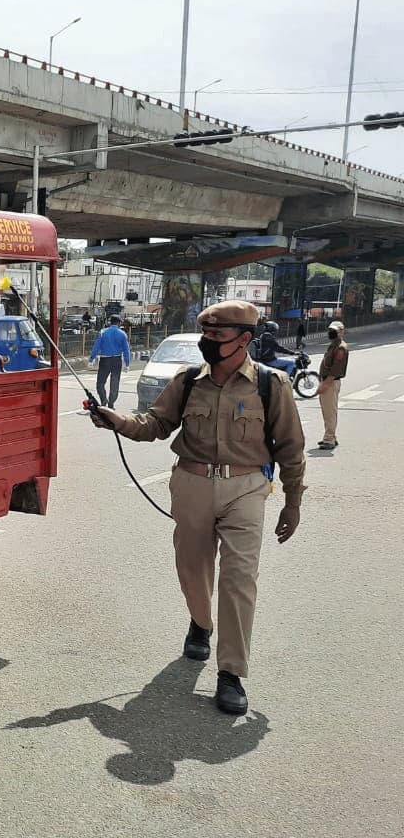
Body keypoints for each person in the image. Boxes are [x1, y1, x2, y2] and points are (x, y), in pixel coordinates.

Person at [89, 300, 306, 715]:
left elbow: (292, 449)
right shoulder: (188, 381)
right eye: (205, 334)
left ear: (244, 340)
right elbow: (154, 424)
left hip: (246, 487)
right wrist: (116, 420)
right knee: (192, 569)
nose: (208, 342)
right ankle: (200, 624)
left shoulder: (270, 385)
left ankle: (231, 673)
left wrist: (292, 503)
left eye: (217, 336)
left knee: (239, 578)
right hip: (191, 483)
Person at [317, 320, 349, 450]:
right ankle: (331, 437)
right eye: (331, 330)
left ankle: (329, 439)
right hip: (327, 381)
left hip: (330, 382)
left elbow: (336, 369)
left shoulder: (340, 347)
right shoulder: (334, 345)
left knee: (330, 412)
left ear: (341, 332)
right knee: (328, 411)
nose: (331, 333)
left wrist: (325, 384)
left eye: (334, 331)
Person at [89, 315, 131, 408]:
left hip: (105, 360)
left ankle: (103, 399)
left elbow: (96, 347)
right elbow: (126, 350)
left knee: (100, 383)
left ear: (110, 322)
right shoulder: (122, 334)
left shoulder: (103, 332)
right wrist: (127, 364)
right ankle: (111, 402)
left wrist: (91, 359)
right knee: (115, 383)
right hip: (117, 360)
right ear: (119, 323)